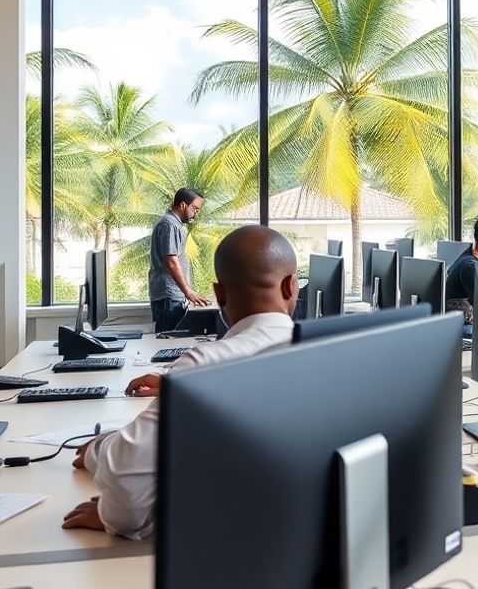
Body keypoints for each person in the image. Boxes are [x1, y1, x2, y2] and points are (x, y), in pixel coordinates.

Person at [61, 225, 300, 539]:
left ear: (219, 295)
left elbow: (128, 488)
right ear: (290, 286)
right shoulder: (330, 354)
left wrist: (104, 490)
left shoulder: (204, 366)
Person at [149, 187, 209, 333]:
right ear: (183, 205)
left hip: (172, 294)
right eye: (195, 208)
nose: (195, 214)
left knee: (171, 342)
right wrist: (188, 292)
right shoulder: (170, 225)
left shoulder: (173, 224)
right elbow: (171, 262)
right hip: (169, 295)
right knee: (167, 342)